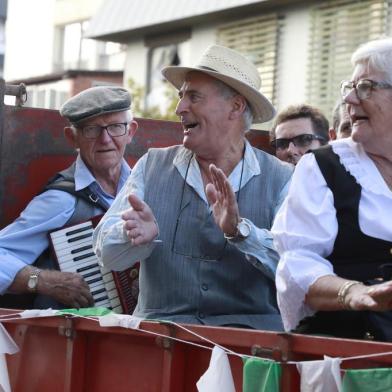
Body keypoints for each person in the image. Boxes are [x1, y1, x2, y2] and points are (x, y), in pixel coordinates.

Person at [93, 45, 292, 329]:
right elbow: (105, 255)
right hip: (161, 343)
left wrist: (240, 232)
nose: (180, 108)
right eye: (181, 96)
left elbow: (295, 266)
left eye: (194, 97)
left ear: (236, 106)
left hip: (251, 353)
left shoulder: (283, 177)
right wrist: (133, 234)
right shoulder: (152, 165)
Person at [272, 37, 392, 341]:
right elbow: (297, 264)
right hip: (346, 352)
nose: (350, 100)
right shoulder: (324, 166)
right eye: (348, 88)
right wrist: (353, 292)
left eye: (365, 87)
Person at [0, 86, 138, 309]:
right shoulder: (62, 200)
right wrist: (43, 280)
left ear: (130, 131)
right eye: (91, 129)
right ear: (72, 137)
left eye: (115, 127)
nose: (105, 139)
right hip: (75, 337)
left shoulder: (145, 188)